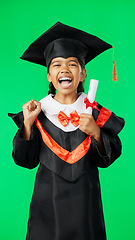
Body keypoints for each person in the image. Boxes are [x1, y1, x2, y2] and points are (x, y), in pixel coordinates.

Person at [8, 22, 125, 240]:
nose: (64, 69)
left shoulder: (96, 115)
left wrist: (96, 133)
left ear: (82, 74)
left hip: (85, 205)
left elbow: (108, 159)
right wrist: (27, 124)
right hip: (47, 207)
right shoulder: (37, 113)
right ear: (49, 76)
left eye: (73, 64)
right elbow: (25, 160)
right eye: (57, 65)